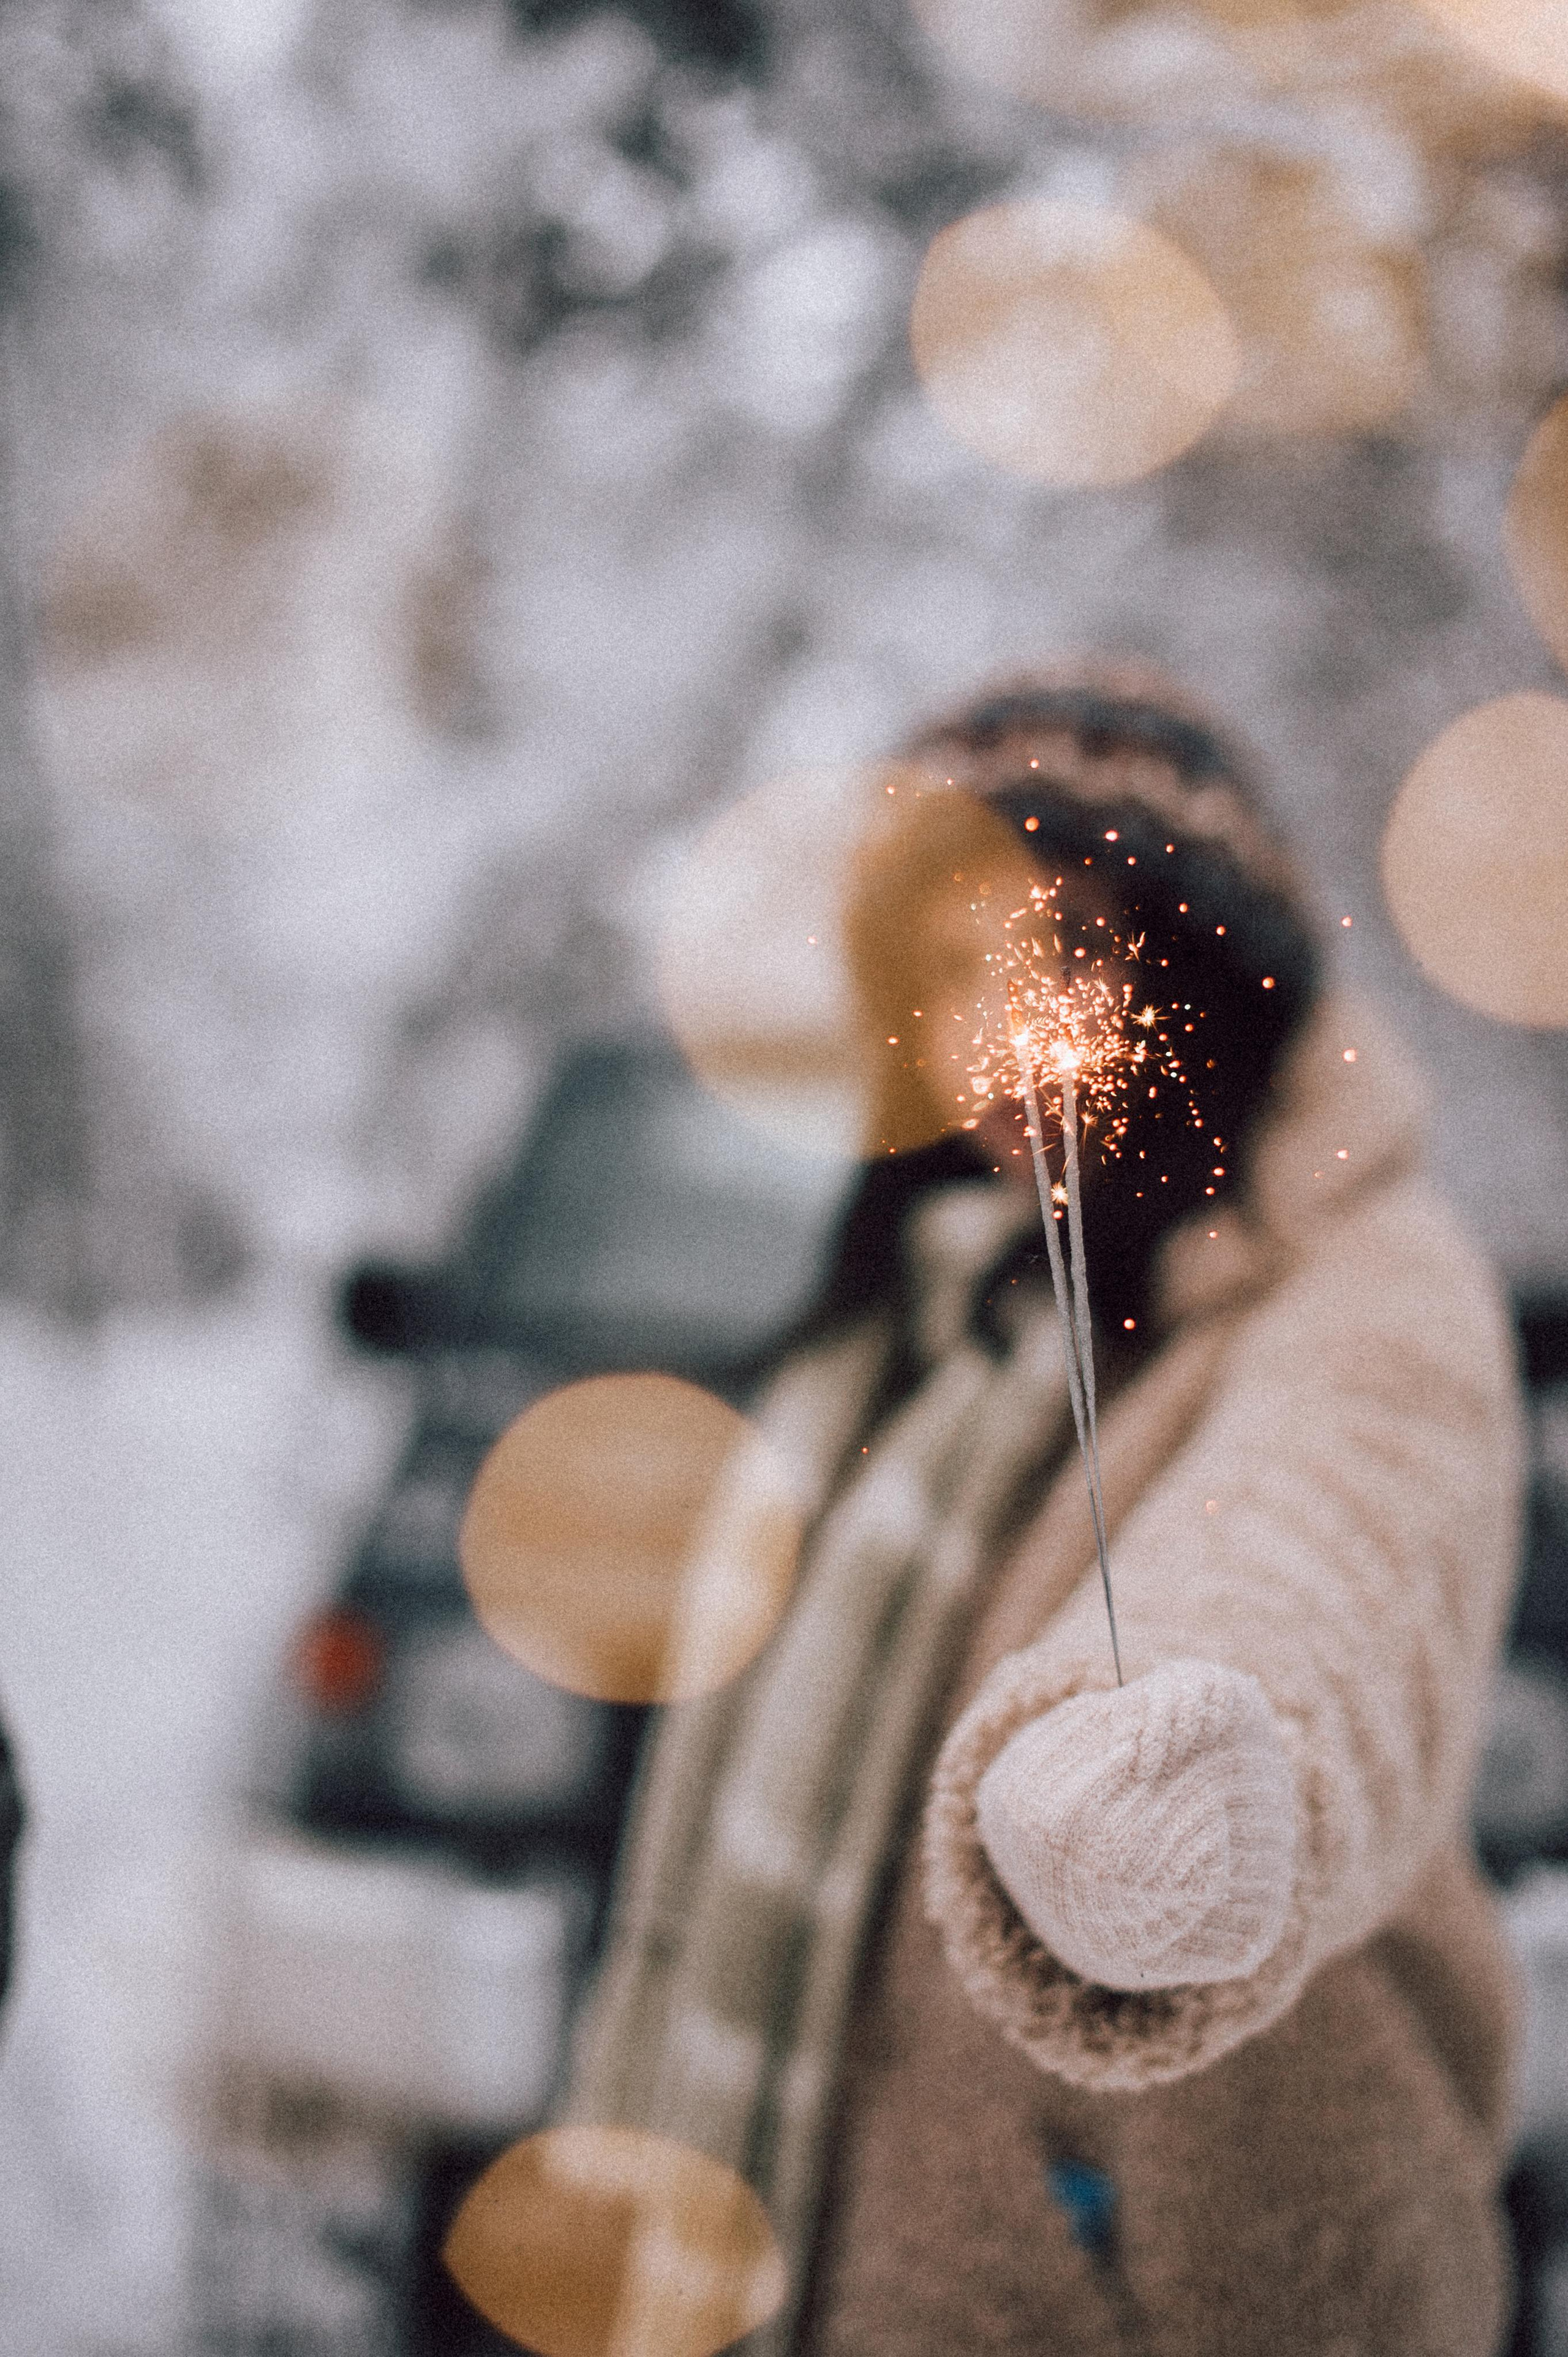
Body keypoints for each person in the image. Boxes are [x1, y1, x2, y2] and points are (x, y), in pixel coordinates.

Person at [570, 672, 1525, 2357]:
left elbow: (1322, 1545)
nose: (998, 1019)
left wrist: (1191, 1757)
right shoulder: (910, 1315)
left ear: (1200, 976)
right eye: (947, 966)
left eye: (1064, 949)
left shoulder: (1364, 1285)